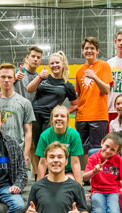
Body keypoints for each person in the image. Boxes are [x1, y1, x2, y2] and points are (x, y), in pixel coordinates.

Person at [27, 51, 78, 179]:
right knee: (34, 146)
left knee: (47, 147)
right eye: (52, 63)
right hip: (34, 115)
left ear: (63, 64)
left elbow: (75, 105)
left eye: (57, 63)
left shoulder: (67, 85)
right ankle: (39, 175)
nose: (54, 65)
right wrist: (39, 77)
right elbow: (29, 89)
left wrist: (62, 114)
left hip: (50, 118)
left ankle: (51, 174)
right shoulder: (43, 78)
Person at [75, 37, 114, 159]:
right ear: (82, 51)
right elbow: (79, 95)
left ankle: (96, 177)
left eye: (92, 48)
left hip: (98, 115)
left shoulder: (103, 66)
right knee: (84, 150)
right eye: (86, 48)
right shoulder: (79, 71)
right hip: (82, 116)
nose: (89, 51)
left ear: (97, 50)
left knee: (97, 149)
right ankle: (87, 177)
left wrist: (94, 77)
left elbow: (106, 89)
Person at [35, 105, 83, 184]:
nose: (59, 118)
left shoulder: (74, 135)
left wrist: (79, 186)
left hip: (67, 171)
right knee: (47, 184)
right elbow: (43, 162)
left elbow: (75, 162)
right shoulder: (45, 135)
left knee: (71, 184)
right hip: (51, 169)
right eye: (56, 116)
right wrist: (38, 186)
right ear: (52, 120)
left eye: (63, 116)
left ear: (67, 120)